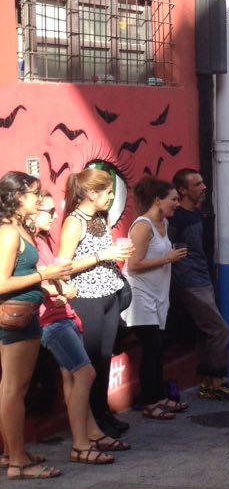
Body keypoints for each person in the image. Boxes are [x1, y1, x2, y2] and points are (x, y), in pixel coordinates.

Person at [30, 193, 126, 465]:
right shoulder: (25, 242)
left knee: (72, 376)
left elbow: (54, 273)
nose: (54, 217)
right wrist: (59, 290)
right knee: (85, 373)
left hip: (63, 313)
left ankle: (90, 433)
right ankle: (81, 444)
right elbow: (34, 279)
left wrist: (61, 288)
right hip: (50, 318)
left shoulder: (42, 239)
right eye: (48, 211)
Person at [1, 173, 73, 479]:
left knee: (14, 387)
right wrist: (45, 276)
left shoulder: (19, 228)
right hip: (16, 318)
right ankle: (18, 462)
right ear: (18, 198)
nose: (38, 198)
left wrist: (46, 287)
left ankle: (13, 452)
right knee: (14, 389)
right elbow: (2, 282)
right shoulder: (9, 232)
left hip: (27, 314)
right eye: (34, 193)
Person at [59, 168, 135, 437]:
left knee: (105, 358)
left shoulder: (102, 217)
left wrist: (116, 254)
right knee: (90, 362)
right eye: (108, 192)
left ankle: (103, 414)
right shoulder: (74, 222)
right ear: (91, 193)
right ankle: (91, 422)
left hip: (109, 294)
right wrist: (103, 255)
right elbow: (64, 266)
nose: (112, 197)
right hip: (86, 298)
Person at [121, 177, 187, 422]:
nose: (177, 204)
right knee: (152, 348)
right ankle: (149, 402)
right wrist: (168, 259)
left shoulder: (164, 223)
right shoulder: (143, 225)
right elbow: (133, 265)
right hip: (140, 294)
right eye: (173, 199)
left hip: (158, 294)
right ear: (158, 200)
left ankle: (158, 396)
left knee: (158, 348)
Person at [169, 169, 229, 401]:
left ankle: (208, 384)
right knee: (219, 330)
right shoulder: (176, 218)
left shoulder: (198, 214)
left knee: (207, 331)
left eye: (203, 182)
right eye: (197, 184)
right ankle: (217, 383)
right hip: (189, 282)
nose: (204, 187)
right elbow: (169, 251)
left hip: (203, 278)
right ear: (183, 190)